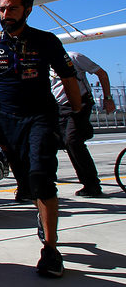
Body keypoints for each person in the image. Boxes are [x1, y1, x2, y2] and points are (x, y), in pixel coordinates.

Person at [0, 0, 80, 278]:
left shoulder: (46, 40)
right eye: (1, 9)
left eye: (11, 9)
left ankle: (50, 250)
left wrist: (77, 111)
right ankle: (42, 214)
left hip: (41, 117)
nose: (5, 14)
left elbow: (68, 76)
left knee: (41, 178)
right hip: (6, 121)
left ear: (27, 10)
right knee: (26, 182)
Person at [50, 50, 117, 198]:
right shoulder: (44, 63)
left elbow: (102, 74)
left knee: (73, 141)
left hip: (79, 103)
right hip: (60, 107)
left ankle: (92, 184)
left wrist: (108, 98)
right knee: (61, 143)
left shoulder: (73, 57)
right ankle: (48, 183)